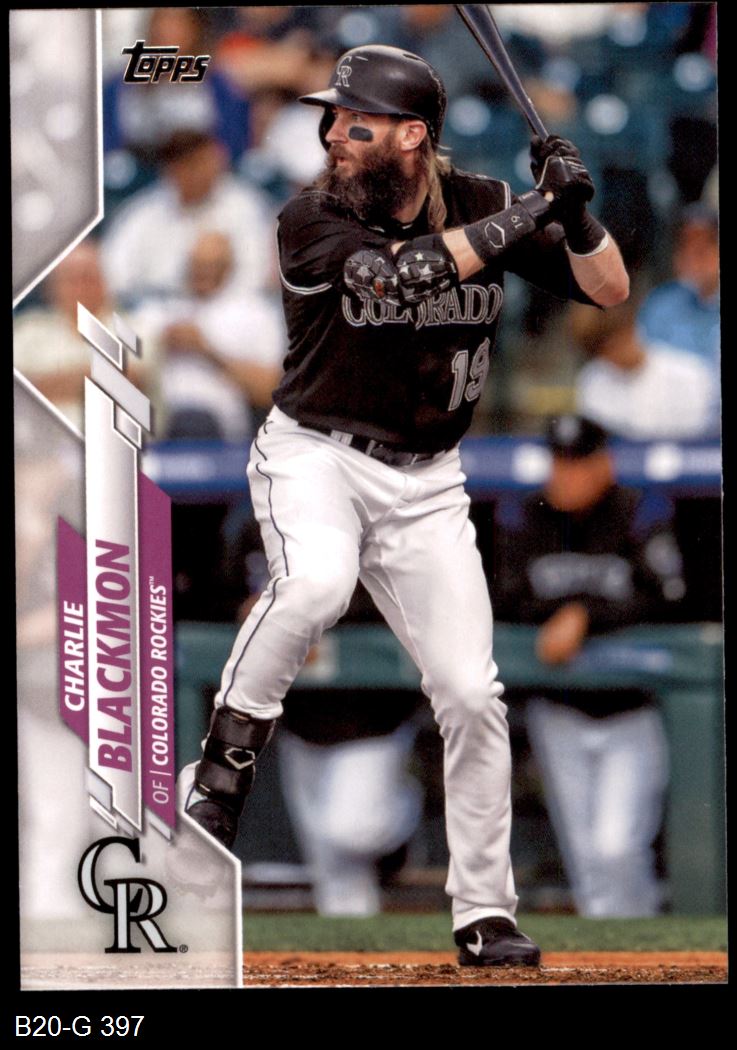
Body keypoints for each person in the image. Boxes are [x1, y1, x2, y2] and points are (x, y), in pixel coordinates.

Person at [179, 44, 628, 967]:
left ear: (412, 136)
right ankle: (220, 771)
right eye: (333, 120)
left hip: (428, 480)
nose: (332, 136)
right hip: (317, 454)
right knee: (315, 583)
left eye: (356, 124)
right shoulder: (309, 216)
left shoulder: (480, 201)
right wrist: (532, 210)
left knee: (470, 692)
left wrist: (575, 214)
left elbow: (608, 288)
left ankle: (483, 911)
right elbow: (397, 276)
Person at [493, 415, 684, 916]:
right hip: (558, 709)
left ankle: (640, 944)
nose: (566, 475)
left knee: (617, 847)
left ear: (605, 464)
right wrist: (560, 616)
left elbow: (669, 598)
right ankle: (611, 954)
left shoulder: (637, 510)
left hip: (630, 712)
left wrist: (585, 614)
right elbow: (505, 598)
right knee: (587, 862)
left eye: (578, 463)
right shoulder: (526, 515)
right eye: (559, 463)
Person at [131, 230, 284, 441]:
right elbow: (127, 374)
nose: (201, 273)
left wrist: (206, 351)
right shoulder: (159, 311)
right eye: (196, 265)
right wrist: (158, 346)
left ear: (228, 268)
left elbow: (271, 390)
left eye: (211, 266)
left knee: (192, 422)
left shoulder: (255, 313)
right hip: (158, 420)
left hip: (220, 430)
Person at [101, 130, 275, 306]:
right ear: (170, 170)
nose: (200, 172)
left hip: (228, 310)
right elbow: (113, 274)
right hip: (157, 311)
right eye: (189, 165)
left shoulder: (245, 206)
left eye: (205, 161)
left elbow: (256, 275)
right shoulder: (143, 213)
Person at [573, 298, 718, 440]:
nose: (615, 355)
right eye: (603, 352)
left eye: (617, 344)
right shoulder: (592, 383)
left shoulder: (689, 373)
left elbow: (698, 441)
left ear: (630, 329)